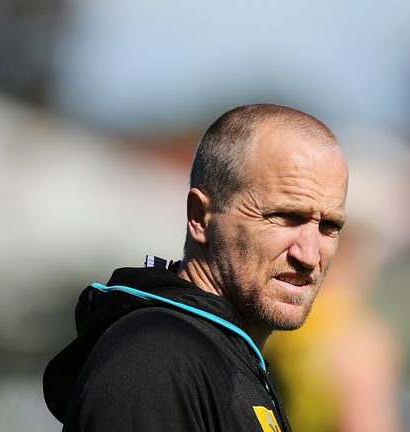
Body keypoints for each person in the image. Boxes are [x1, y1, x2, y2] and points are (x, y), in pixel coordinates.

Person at [43, 103, 349, 431]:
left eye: (329, 226)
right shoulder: (156, 363)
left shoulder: (224, 356)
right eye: (285, 217)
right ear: (200, 216)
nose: (309, 255)